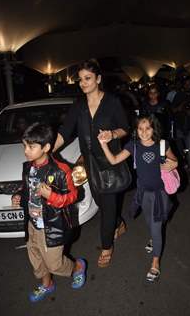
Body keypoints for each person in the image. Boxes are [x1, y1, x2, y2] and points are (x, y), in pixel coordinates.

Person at [54, 58, 129, 268]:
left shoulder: (112, 101)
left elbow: (125, 127)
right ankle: (118, 223)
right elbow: (65, 131)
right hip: (88, 165)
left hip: (109, 162)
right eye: (80, 79)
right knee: (102, 203)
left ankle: (107, 246)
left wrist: (112, 133)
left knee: (106, 207)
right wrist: (48, 151)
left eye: (87, 78)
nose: (83, 83)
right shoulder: (78, 106)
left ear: (98, 79)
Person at [11, 122, 87, 302]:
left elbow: (74, 195)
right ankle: (47, 284)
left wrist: (51, 195)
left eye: (31, 146)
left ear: (46, 147)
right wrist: (18, 196)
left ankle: (77, 267)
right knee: (36, 260)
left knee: (55, 264)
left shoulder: (61, 170)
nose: (26, 151)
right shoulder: (28, 167)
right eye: (24, 146)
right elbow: (26, 190)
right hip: (32, 224)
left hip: (51, 225)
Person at [97, 115, 178, 282]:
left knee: (156, 227)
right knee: (149, 222)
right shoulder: (132, 146)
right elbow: (114, 160)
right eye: (140, 129)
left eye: (148, 128)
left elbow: (175, 160)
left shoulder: (162, 145)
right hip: (143, 192)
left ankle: (155, 262)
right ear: (136, 130)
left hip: (159, 193)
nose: (144, 132)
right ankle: (153, 238)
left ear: (154, 129)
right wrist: (103, 144)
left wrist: (174, 163)